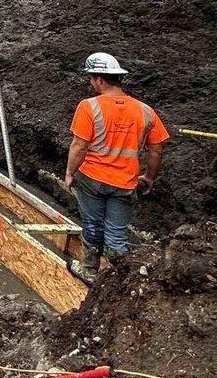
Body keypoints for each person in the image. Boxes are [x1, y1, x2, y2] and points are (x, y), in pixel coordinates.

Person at [64, 52, 168, 282]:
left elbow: (79, 145)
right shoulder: (145, 111)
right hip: (125, 182)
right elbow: (156, 150)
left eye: (92, 79)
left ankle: (90, 271)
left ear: (100, 79)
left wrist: (70, 173)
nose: (92, 83)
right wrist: (149, 177)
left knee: (92, 224)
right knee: (117, 233)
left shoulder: (89, 107)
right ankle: (115, 282)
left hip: (92, 178)